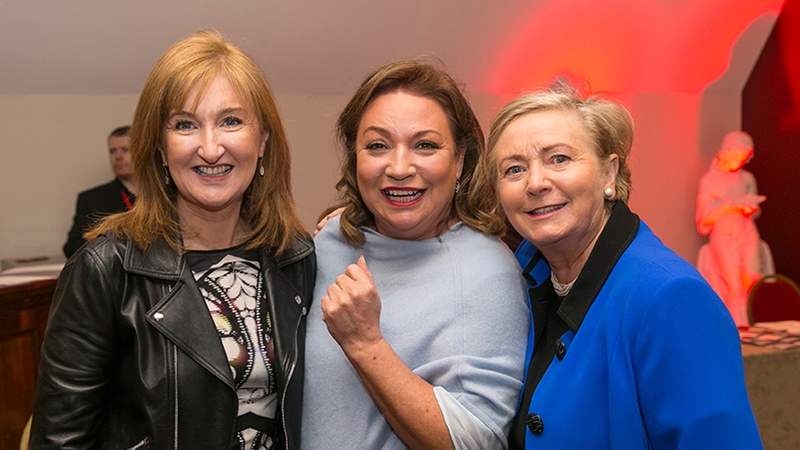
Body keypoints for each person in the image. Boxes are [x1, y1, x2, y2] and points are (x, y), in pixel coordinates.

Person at [31, 30, 315, 450]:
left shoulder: (296, 256)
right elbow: (60, 440)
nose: (210, 147)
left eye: (231, 121)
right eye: (185, 125)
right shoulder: (105, 269)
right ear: (161, 149)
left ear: (263, 142)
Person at [486, 86, 763, 449]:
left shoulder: (670, 297)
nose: (536, 183)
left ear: (608, 174)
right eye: (514, 169)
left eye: (559, 159)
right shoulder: (523, 279)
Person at [301, 59, 529, 450]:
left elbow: (476, 442)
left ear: (459, 161)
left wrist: (365, 343)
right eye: (377, 145)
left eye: (425, 145)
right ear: (355, 158)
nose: (399, 167)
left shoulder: (488, 271)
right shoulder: (330, 241)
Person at [696, 131, 772, 326]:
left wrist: (749, 207)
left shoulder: (747, 178)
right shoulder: (709, 180)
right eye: (737, 157)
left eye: (743, 159)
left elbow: (756, 213)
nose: (739, 162)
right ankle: (733, 331)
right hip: (723, 235)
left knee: (752, 282)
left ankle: (750, 328)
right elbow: (703, 223)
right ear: (726, 152)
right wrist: (727, 204)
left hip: (747, 232)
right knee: (734, 288)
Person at [63, 125, 138, 257]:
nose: (118, 157)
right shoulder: (92, 199)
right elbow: (71, 249)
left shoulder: (165, 195)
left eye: (125, 150)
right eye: (113, 151)